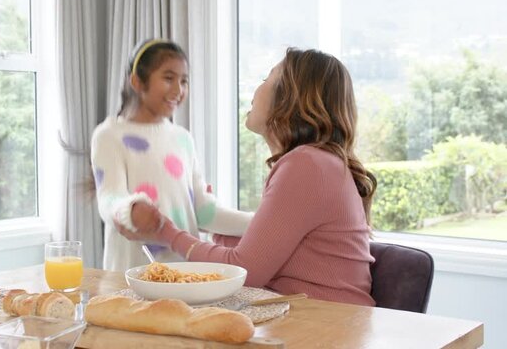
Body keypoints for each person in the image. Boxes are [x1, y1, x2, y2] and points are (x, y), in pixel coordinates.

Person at [117, 47, 378, 306]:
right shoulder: (317, 163)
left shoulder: (306, 165)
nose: (256, 90)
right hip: (321, 317)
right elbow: (267, 253)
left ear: (290, 97)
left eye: (267, 79)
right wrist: (209, 221)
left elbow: (246, 271)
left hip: (329, 327)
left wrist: (166, 232)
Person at [91, 39, 253, 272]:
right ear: (137, 82)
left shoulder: (182, 138)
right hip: (133, 277)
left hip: (186, 275)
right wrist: (131, 210)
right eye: (168, 78)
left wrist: (259, 223)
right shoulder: (109, 135)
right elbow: (109, 198)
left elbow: (204, 212)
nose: (179, 90)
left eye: (184, 81)